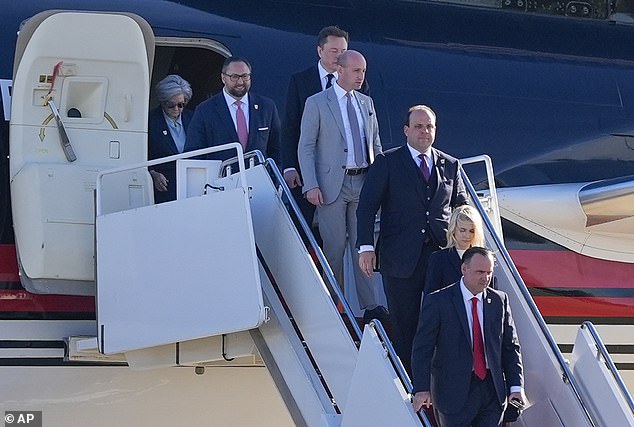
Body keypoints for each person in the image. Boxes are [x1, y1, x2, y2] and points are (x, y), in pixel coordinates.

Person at [356, 105, 468, 375]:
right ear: (406, 130)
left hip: (441, 256)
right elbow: (367, 207)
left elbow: (462, 209)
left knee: (443, 321)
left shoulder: (450, 165)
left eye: (429, 126)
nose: (424, 131)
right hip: (400, 258)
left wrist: (469, 246)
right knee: (405, 324)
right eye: (418, 126)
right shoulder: (387, 162)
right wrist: (366, 248)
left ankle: (438, 379)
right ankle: (407, 383)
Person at [297, 50, 386, 322]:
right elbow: (306, 146)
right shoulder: (317, 102)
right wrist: (310, 185)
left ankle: (370, 307)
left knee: (365, 246)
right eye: (356, 71)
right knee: (334, 248)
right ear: (340, 69)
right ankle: (333, 306)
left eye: (363, 71)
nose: (361, 76)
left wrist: (381, 181)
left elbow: (376, 144)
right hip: (330, 184)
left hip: (363, 182)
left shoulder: (366, 102)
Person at [411, 247, 524, 426]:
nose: (485, 278)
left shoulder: (499, 301)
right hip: (453, 392)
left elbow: (510, 347)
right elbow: (422, 348)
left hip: (492, 392)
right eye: (480, 272)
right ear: (464, 269)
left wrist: (516, 388)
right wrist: (422, 388)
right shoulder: (438, 301)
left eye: (489, 272)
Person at [282, 26, 369, 240]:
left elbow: (366, 129)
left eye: (343, 51)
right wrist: (290, 166)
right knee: (316, 236)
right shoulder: (301, 81)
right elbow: (290, 126)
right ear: (320, 51)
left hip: (346, 174)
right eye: (334, 51)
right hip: (309, 172)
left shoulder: (359, 84)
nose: (339, 56)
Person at [184, 57, 281, 164]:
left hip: (259, 178)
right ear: (223, 78)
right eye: (234, 77)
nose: (240, 82)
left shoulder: (267, 107)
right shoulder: (205, 110)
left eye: (245, 76)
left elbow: (277, 148)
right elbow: (194, 153)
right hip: (222, 178)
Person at [148, 74, 194, 203]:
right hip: (164, 187)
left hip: (191, 184)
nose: (176, 109)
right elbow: (143, 154)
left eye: (180, 105)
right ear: (162, 102)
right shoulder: (151, 121)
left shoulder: (193, 118)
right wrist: (152, 173)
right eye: (170, 105)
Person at [425, 204, 485, 295]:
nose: (467, 235)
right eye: (462, 230)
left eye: (472, 231)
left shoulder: (484, 259)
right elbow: (430, 297)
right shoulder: (438, 259)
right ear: (453, 230)